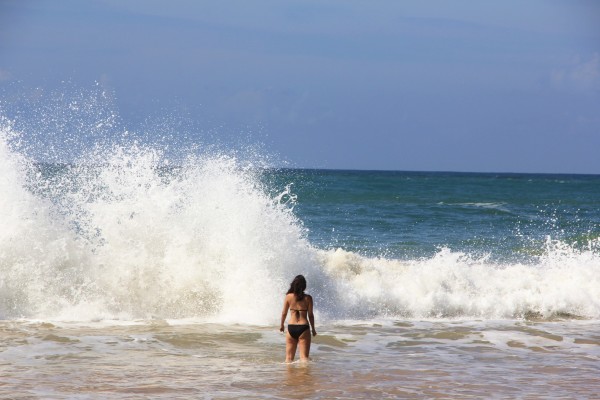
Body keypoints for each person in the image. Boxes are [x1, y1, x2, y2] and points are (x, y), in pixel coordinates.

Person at [280, 275, 317, 363]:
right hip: (303, 328)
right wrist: (313, 329)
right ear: (304, 286)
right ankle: (303, 376)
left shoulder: (288, 297)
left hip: (291, 327)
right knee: (304, 358)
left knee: (288, 359)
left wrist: (282, 325)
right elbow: (310, 315)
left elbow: (284, 313)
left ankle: (288, 376)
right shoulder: (308, 298)